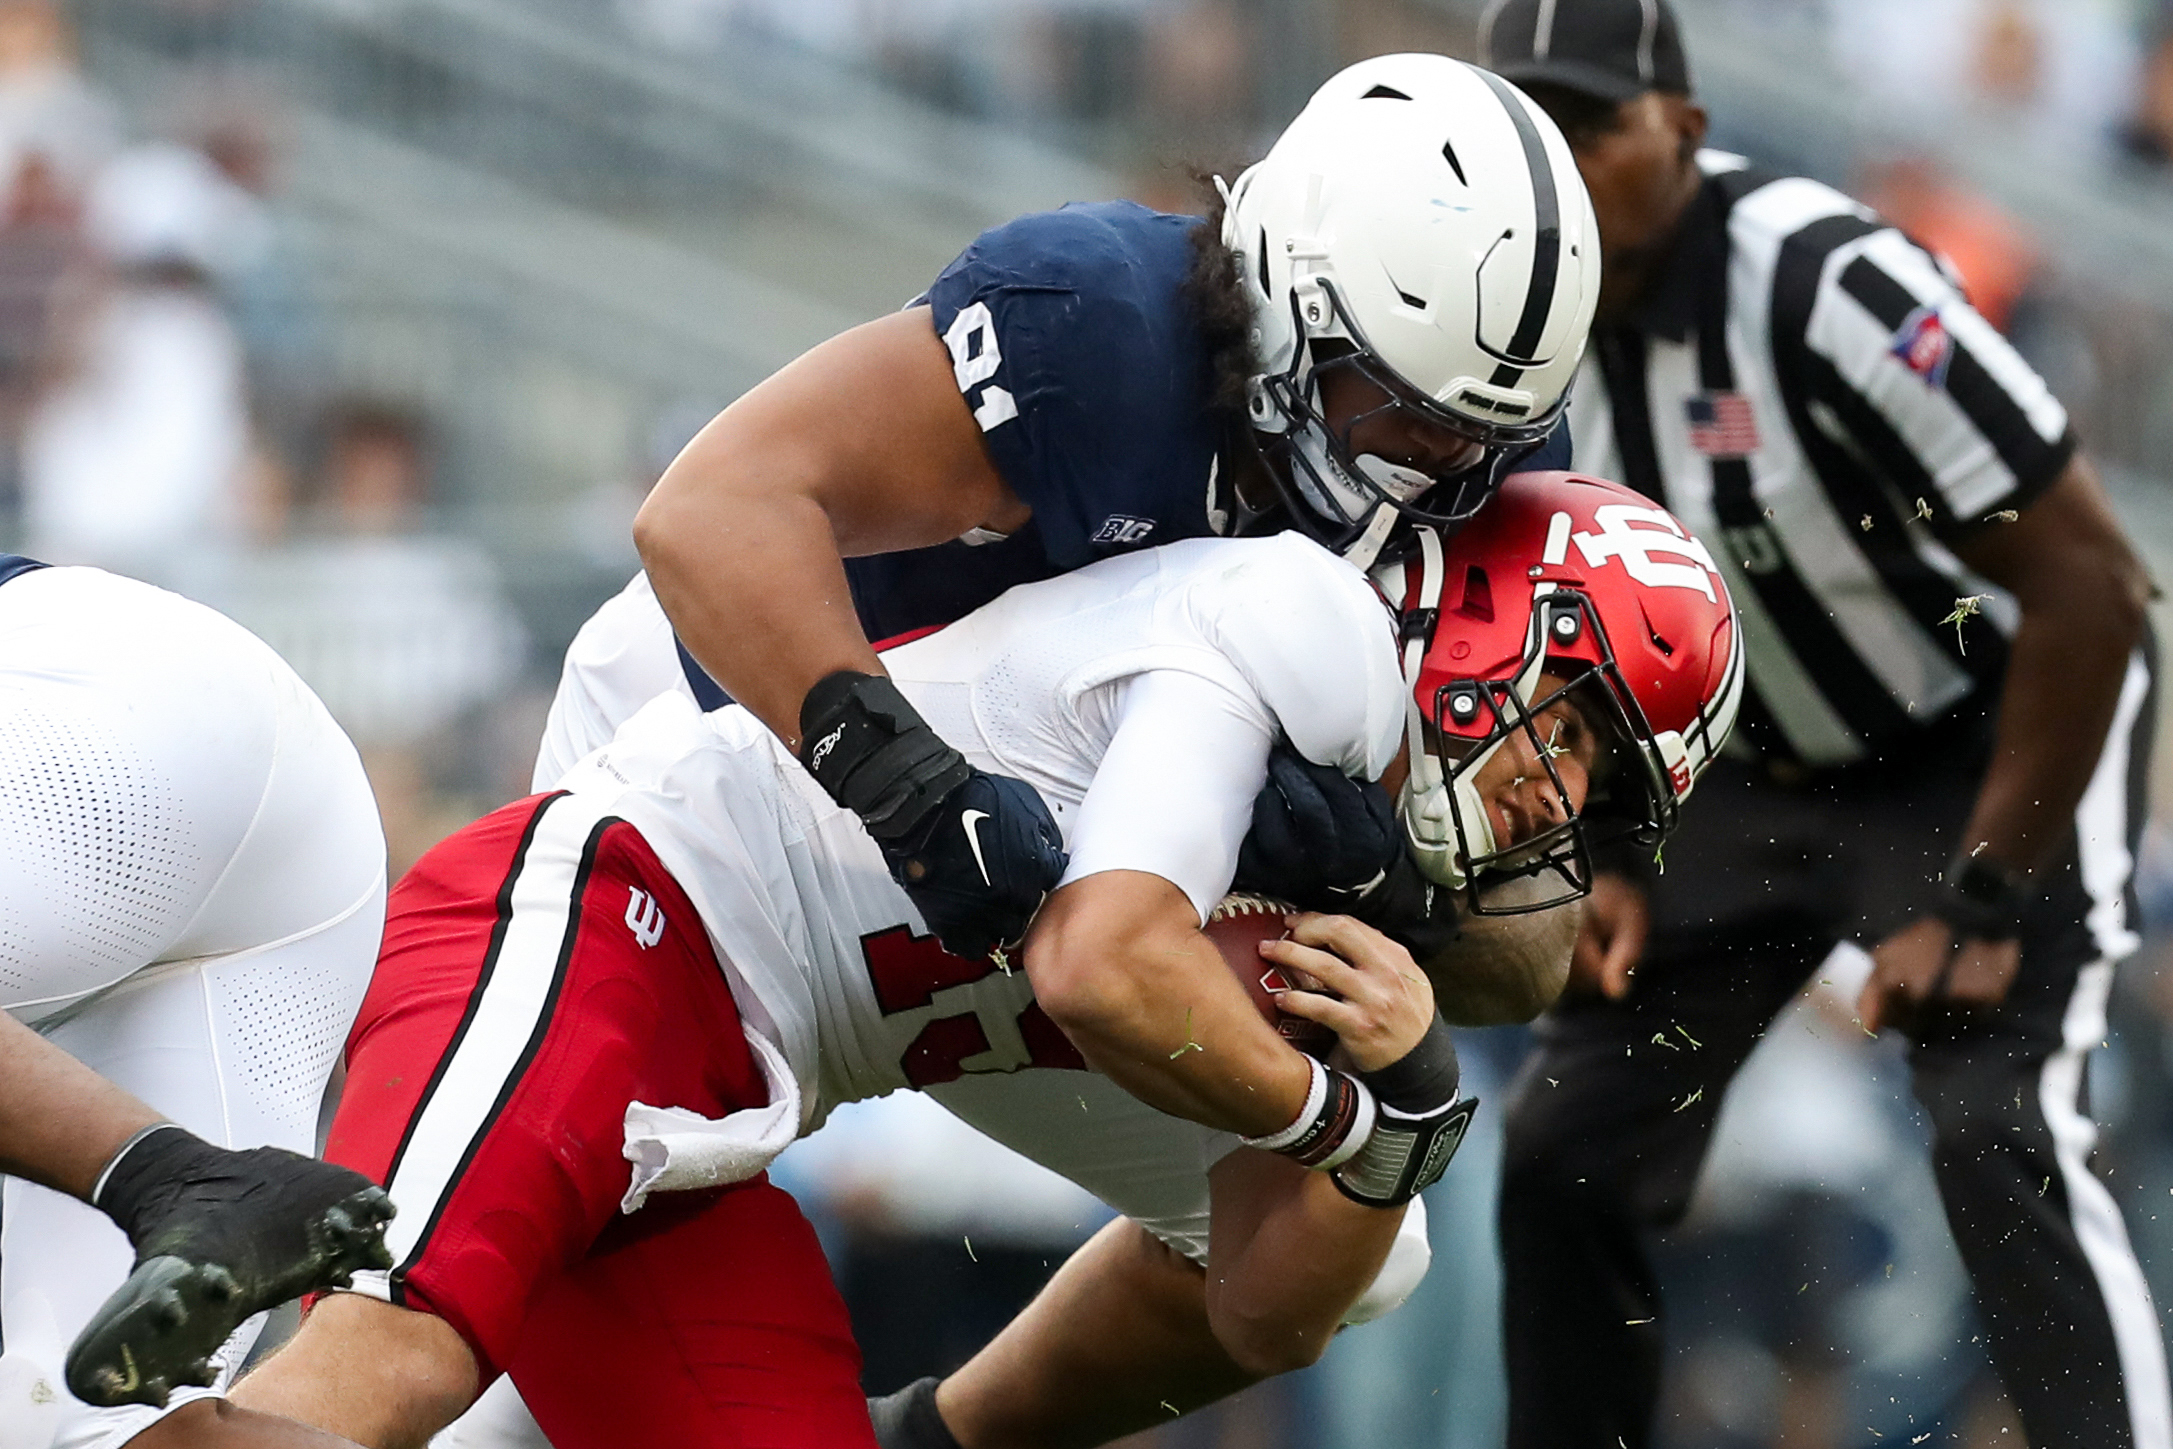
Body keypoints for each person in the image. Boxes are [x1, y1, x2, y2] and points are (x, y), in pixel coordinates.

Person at [222, 468, 1740, 1449]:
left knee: (1373, 1259)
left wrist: (1407, 1110)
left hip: (739, 1093)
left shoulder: (1366, 880)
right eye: (1578, 730)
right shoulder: (1298, 632)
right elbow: (1096, 961)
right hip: (614, 915)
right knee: (376, 1385)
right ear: (1489, 614)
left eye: (1607, 792)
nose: (1562, 801)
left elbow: (1274, 1313)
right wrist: (1345, 1116)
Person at [1475, 3, 2170, 1446]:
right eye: (1528, 129)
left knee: (1998, 1126)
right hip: (1723, 777)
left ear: (1685, 130)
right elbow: (1558, 613)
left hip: (1972, 743)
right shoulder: (1482, 301)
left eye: (1591, 123)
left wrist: (1987, 888)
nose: (1561, 165)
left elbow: (2094, 589)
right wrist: (1599, 847)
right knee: (1562, 1152)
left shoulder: (1822, 280)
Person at [539, 49, 1601, 973]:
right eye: (1402, 409)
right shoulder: (1104, 332)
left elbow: (1530, 956)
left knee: (1344, 1133)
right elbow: (710, 511)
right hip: (725, 725)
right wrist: (906, 788)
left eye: (1482, 436)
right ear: (1293, 294)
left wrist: (1401, 895)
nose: (1442, 463)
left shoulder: (1489, 462)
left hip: (1029, 864)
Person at [0, 551, 396, 1449]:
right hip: (273, 804)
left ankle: (173, 1177)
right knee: (91, 1428)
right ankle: (185, 1182)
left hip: (92, 718)